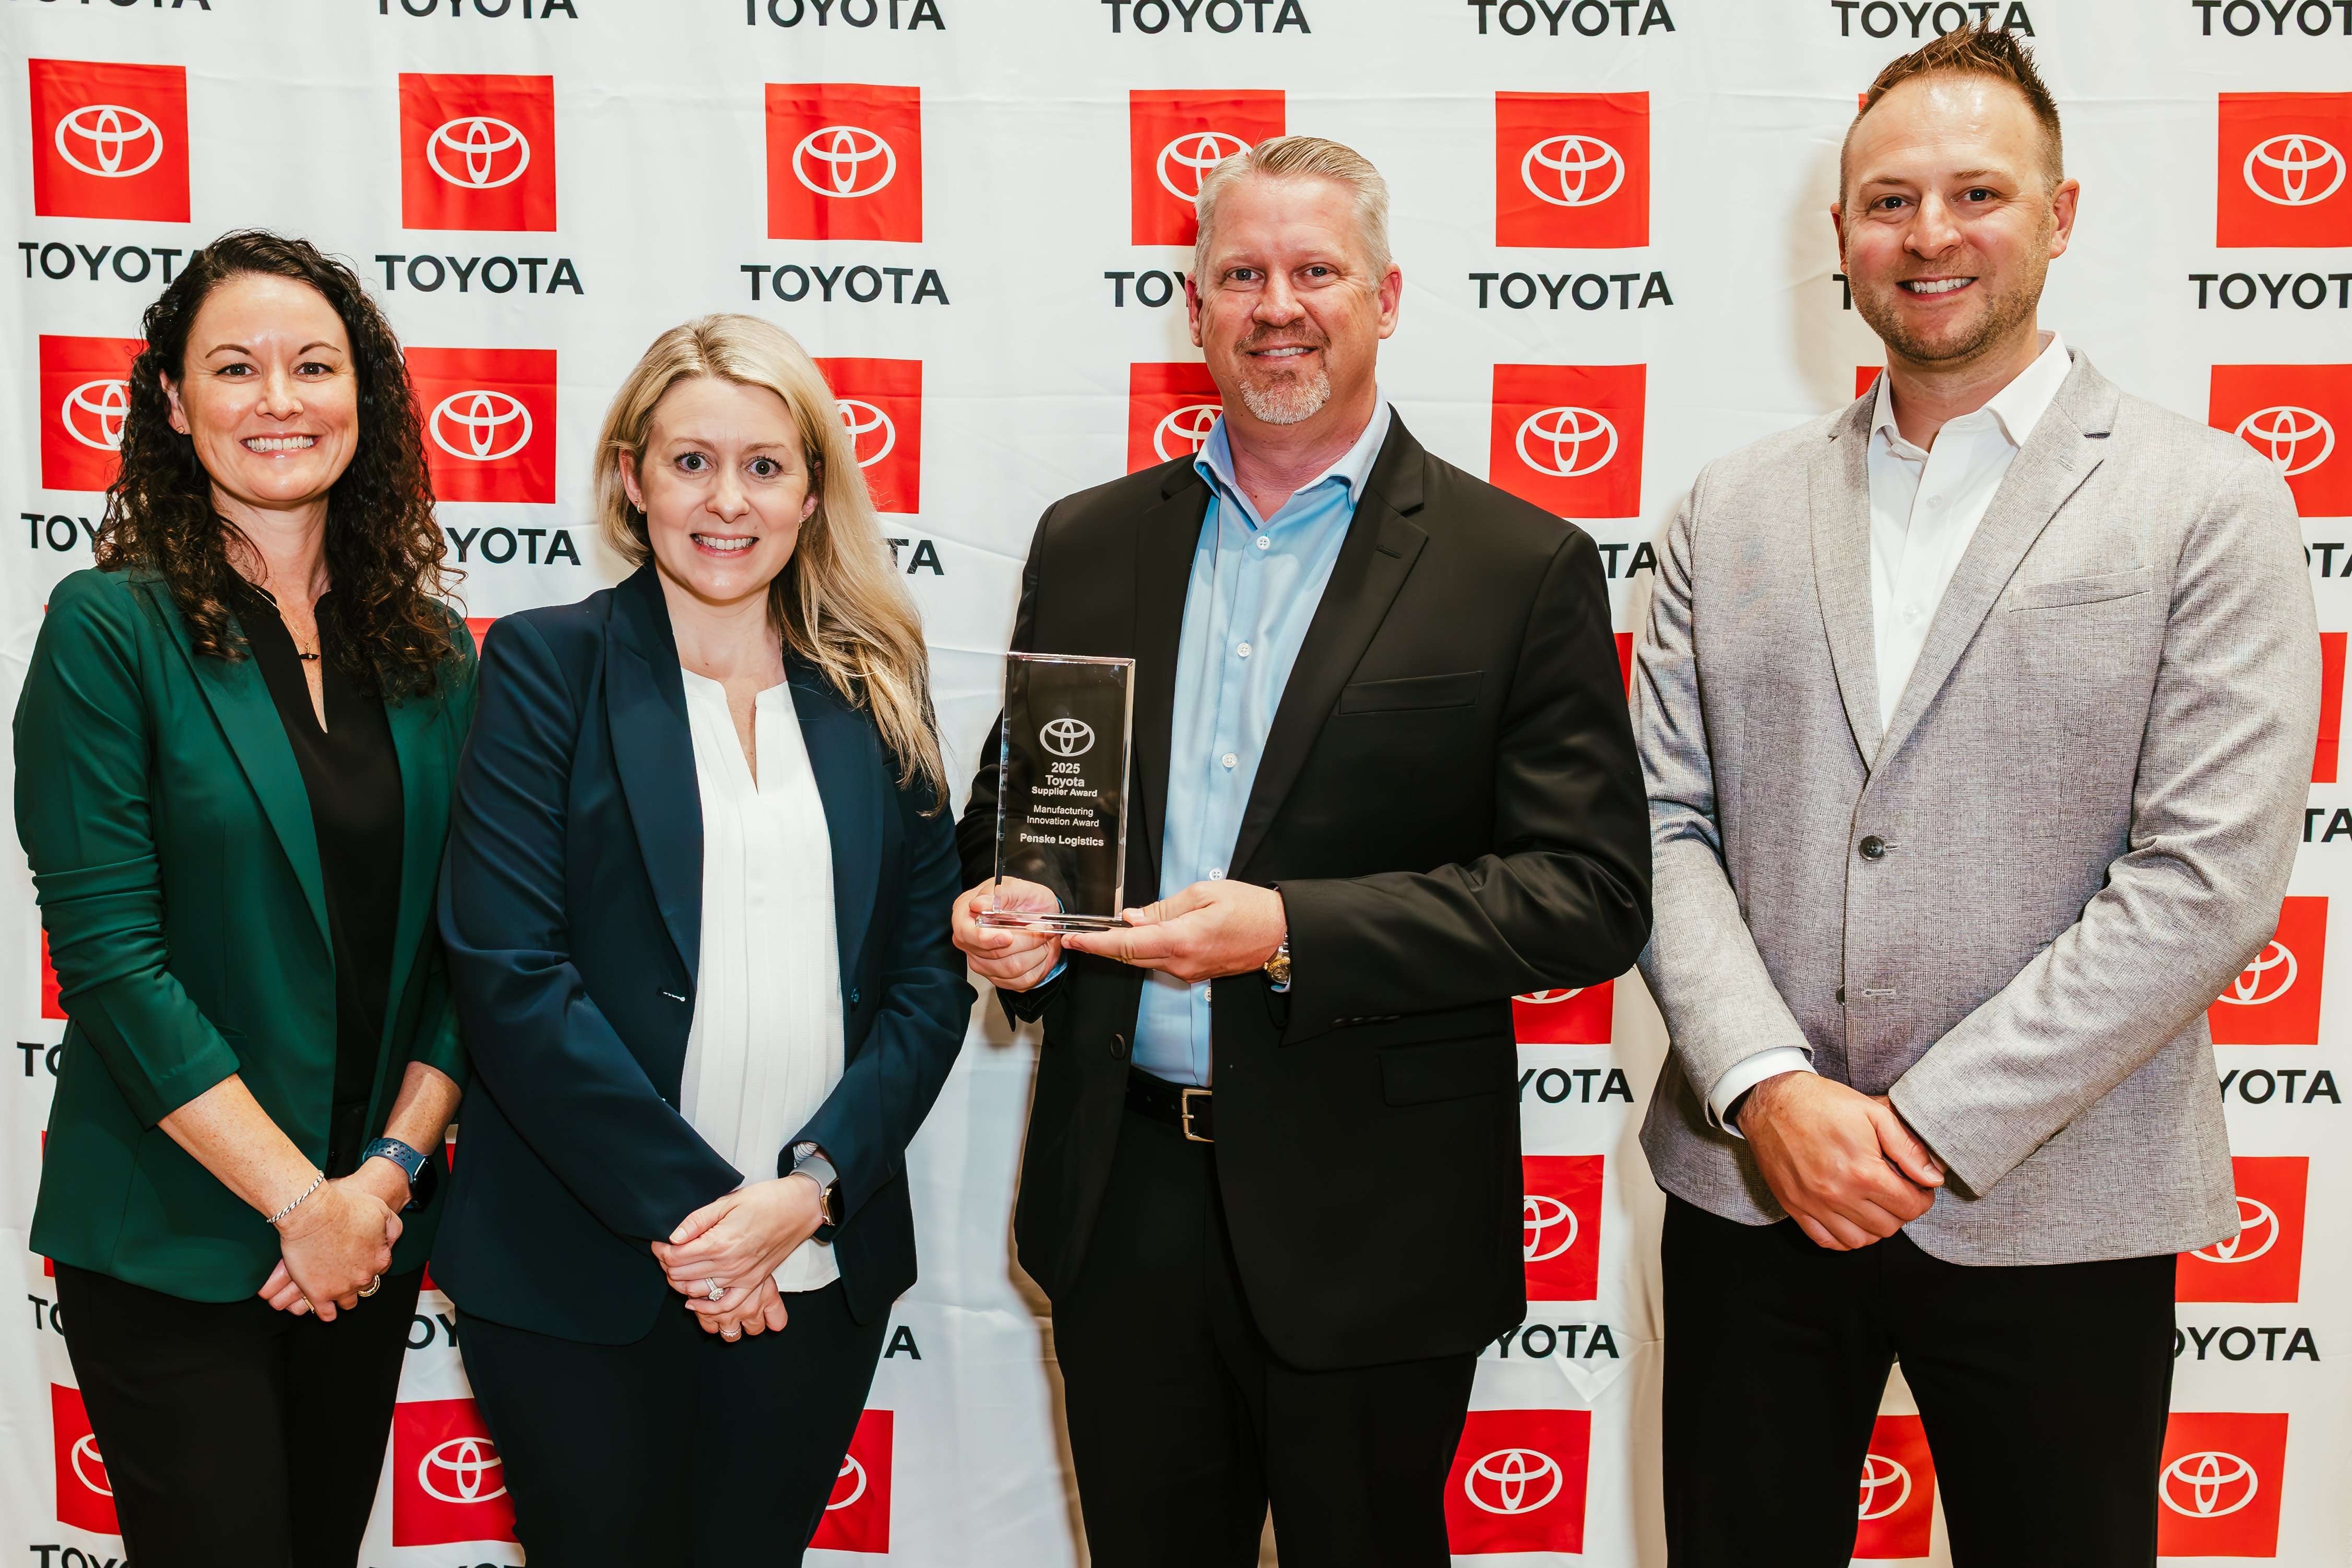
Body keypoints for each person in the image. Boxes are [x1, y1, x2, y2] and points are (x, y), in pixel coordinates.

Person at [1633, 26, 2320, 1567]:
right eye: (1887, 200)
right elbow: (1657, 825)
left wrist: (1922, 1127)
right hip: (1754, 1193)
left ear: (2060, 215)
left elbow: (2204, 879)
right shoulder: (1724, 505)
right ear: (1839, 237)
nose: (1927, 234)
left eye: (1975, 193)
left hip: (2057, 1197)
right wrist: (1768, 1088)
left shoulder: (2206, 502)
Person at [951, 136, 1650, 1566]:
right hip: (1121, 1196)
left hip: (1373, 1218)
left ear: (1385, 297)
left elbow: (1589, 894)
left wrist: (1290, 932)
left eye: (1315, 271)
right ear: (1192, 304)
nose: (1279, 304)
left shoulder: (1516, 564)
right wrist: (1002, 917)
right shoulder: (1087, 541)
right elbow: (1018, 804)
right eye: (1242, 273)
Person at [434, 313, 970, 1565]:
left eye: (766, 465)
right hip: (581, 1272)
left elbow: (927, 975)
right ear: (631, 475)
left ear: (812, 490)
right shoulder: (543, 665)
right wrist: (712, 1223)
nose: (727, 500)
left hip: (817, 1263)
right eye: (690, 462)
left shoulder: (876, 681)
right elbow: (510, 973)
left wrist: (807, 1192)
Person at [13, 230, 474, 1566]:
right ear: (171, 402)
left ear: (364, 396)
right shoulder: (108, 629)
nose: (279, 397)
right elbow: (109, 961)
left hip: (368, 1228)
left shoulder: (434, 647)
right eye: (235, 366)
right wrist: (301, 1203)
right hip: (181, 1233)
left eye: (314, 364)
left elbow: (475, 945)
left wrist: (378, 1182)